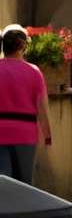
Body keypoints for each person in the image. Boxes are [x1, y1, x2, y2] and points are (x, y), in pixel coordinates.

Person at [0, 28, 46, 183]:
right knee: (25, 185)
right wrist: (48, 137)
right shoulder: (34, 72)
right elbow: (42, 108)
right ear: (22, 47)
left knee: (3, 185)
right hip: (26, 133)